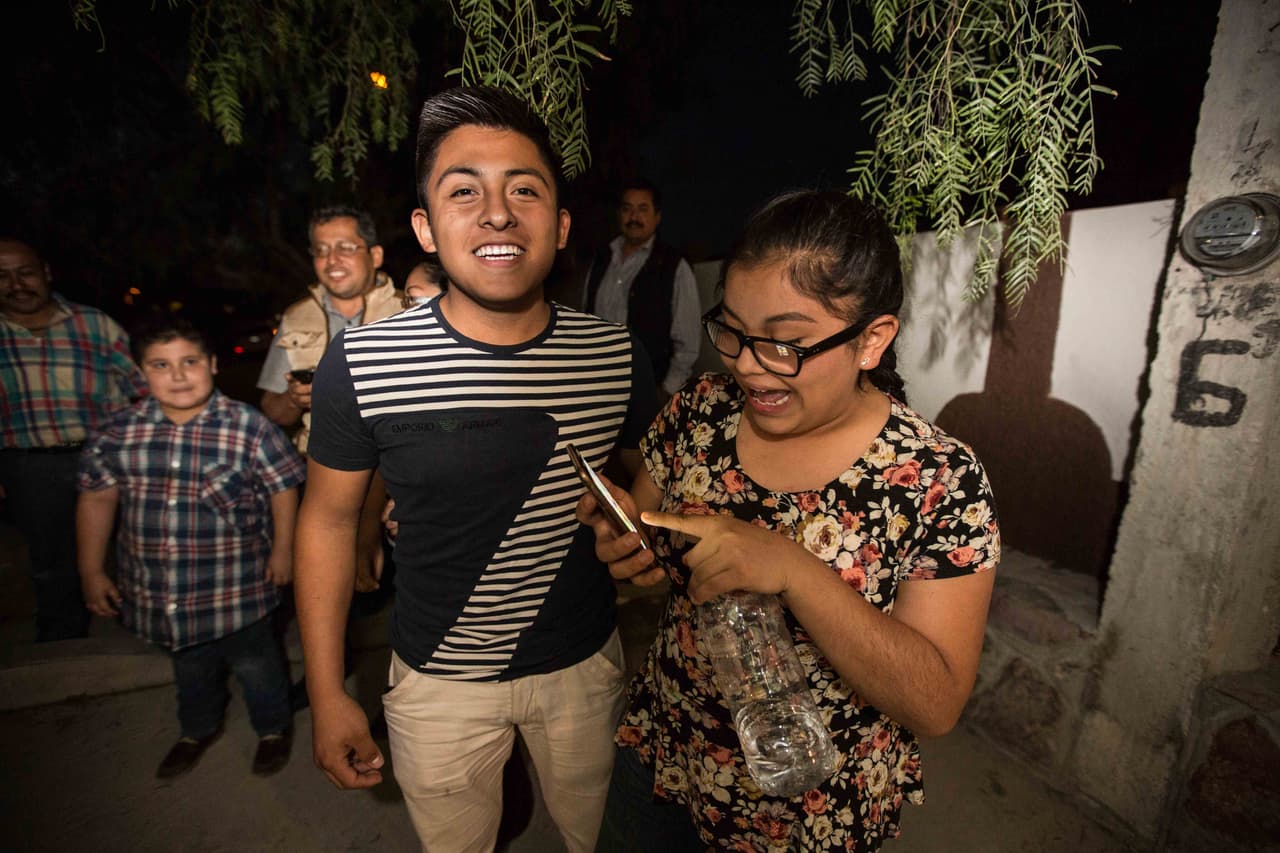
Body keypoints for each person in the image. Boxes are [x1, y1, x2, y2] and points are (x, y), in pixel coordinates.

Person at [578, 190, 1001, 851]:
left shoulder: (938, 478)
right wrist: (627, 545)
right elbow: (652, 544)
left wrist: (794, 571)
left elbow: (936, 701)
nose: (747, 365)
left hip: (810, 810)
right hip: (666, 754)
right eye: (733, 330)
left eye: (785, 342)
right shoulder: (701, 410)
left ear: (871, 340)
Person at [293, 85, 657, 853]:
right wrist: (327, 692)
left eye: (524, 190)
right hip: (438, 682)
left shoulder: (615, 355)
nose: (497, 213)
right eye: (464, 191)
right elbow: (326, 521)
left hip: (584, 666)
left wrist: (641, 521)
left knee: (606, 839)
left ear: (560, 225)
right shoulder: (361, 363)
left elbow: (649, 474)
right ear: (425, 227)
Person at [76, 316, 306, 778]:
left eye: (190, 362)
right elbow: (97, 499)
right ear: (140, 372)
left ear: (213, 364)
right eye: (160, 365)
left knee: (258, 665)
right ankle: (196, 729)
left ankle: (272, 729)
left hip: (239, 588)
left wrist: (284, 551)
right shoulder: (117, 432)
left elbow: (283, 488)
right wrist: (91, 570)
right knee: (190, 667)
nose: (178, 376)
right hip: (164, 593)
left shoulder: (249, 426)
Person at [0, 237, 147, 641]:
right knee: (51, 563)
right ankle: (63, 644)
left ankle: (144, 635)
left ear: (46, 273)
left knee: (134, 548)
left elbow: (142, 386)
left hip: (106, 458)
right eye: (3, 276)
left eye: (25, 273)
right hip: (29, 465)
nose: (16, 284)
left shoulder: (93, 324)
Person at [257, 205, 403, 454]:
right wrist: (294, 399)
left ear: (375, 256)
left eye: (345, 248)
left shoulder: (409, 309)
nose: (332, 260)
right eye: (321, 250)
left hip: (398, 458)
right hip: (319, 460)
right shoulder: (296, 317)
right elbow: (273, 410)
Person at [584, 180, 702, 400]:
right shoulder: (601, 260)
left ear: (657, 217)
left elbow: (688, 342)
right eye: (627, 209)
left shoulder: (673, 265)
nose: (634, 217)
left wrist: (667, 391)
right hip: (599, 386)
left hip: (649, 389)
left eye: (642, 209)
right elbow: (586, 320)